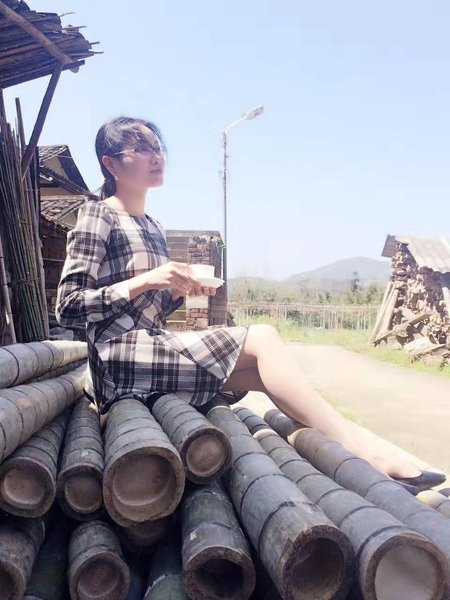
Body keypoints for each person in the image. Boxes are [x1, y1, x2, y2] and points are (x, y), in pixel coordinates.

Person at [55, 116, 444, 490]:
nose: (156, 157)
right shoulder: (97, 215)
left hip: (151, 351)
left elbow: (150, 308)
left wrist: (176, 293)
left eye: (158, 148)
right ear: (111, 164)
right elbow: (68, 306)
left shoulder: (153, 226)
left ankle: (347, 450)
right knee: (263, 337)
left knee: (263, 373)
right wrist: (146, 280)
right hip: (118, 359)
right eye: (141, 149)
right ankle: (364, 452)